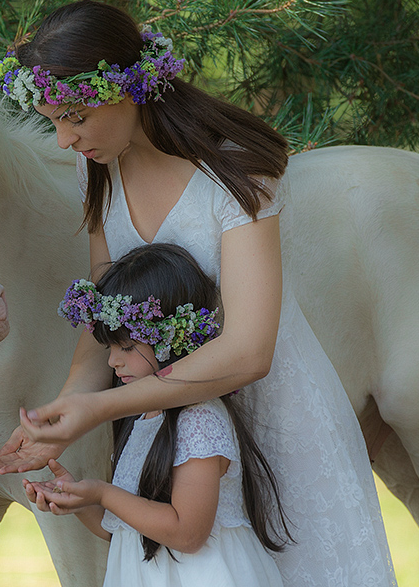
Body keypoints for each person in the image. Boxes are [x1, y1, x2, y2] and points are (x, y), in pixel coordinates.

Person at [0, 0, 395, 585]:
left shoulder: (237, 173)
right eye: (53, 121)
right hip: (169, 426)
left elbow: (250, 351)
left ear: (127, 88)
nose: (64, 138)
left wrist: (98, 408)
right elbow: (109, 314)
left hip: (272, 418)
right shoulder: (98, 168)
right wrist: (59, 412)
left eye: (75, 116)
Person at [25, 243, 288, 587]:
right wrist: (78, 498)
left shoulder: (199, 420)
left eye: (128, 347)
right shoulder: (144, 418)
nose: (112, 362)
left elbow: (187, 532)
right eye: (110, 347)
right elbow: (127, 531)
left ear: (171, 340)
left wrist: (103, 493)